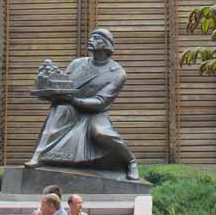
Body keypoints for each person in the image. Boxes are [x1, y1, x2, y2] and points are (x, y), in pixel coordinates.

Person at [27, 28, 139, 180]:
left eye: (96, 38)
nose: (91, 40)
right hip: (71, 108)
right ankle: (39, 156)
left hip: (95, 113)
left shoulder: (117, 73)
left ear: (107, 44)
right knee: (59, 111)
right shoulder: (77, 64)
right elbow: (64, 85)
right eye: (91, 37)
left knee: (101, 133)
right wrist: (51, 93)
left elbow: (101, 102)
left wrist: (72, 100)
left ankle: (130, 161)